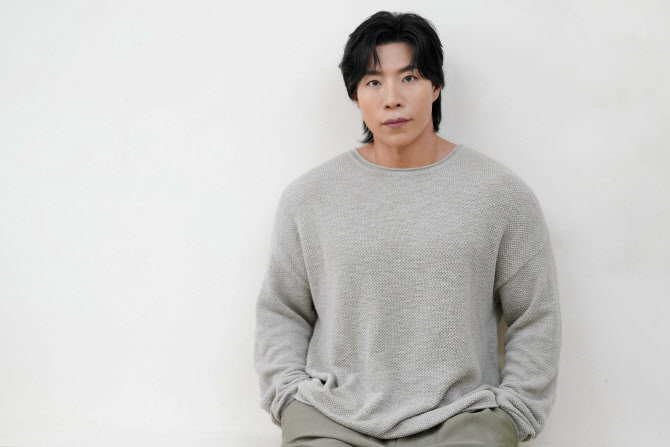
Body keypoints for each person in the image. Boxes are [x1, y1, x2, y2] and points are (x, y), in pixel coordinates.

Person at [254, 10, 561, 447]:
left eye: (410, 77)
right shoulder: (309, 197)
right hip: (331, 417)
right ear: (355, 96)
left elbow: (536, 315)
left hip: (464, 419)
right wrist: (287, 396)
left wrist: (516, 410)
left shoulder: (500, 194)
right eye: (373, 82)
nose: (392, 98)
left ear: (435, 86)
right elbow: (281, 310)